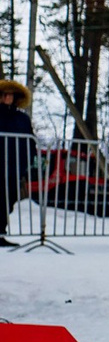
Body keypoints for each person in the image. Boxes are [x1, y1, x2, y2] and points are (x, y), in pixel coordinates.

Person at [0, 78, 33, 247]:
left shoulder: (22, 118)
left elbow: (30, 140)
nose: (8, 98)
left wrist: (28, 162)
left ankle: (0, 232)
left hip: (14, 166)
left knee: (8, 200)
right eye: (5, 94)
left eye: (11, 95)